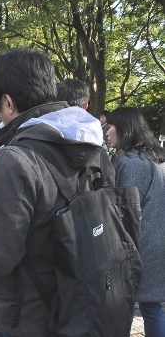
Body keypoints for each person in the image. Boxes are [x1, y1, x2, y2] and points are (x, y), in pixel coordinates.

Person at [0, 48, 115, 336]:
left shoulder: (16, 158)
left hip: (24, 318)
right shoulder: (95, 147)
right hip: (84, 305)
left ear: (8, 102)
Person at [106, 107, 165, 337]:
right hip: (157, 241)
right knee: (152, 307)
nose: (108, 131)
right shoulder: (157, 157)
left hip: (140, 245)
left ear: (125, 129)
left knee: (123, 305)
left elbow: (124, 210)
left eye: (111, 126)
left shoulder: (132, 163)